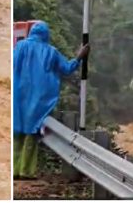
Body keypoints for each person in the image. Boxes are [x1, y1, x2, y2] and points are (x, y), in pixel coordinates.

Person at [13, 21, 89, 179]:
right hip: (39, 99)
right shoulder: (51, 52)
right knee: (31, 135)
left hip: (19, 96)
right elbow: (67, 69)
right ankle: (25, 171)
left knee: (17, 135)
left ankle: (13, 170)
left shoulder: (19, 47)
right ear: (46, 35)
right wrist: (79, 57)